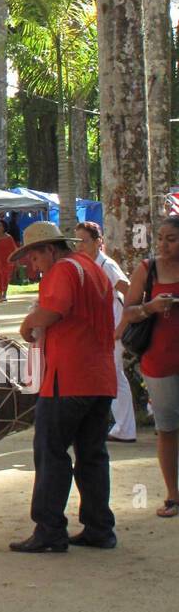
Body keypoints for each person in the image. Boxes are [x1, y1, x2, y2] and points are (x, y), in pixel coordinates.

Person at [9, 221, 117, 552]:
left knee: (51, 452)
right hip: (99, 377)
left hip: (68, 376)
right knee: (92, 454)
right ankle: (99, 527)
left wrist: (28, 325)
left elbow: (53, 309)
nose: (33, 266)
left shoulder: (63, 271)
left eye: (35, 258)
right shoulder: (93, 268)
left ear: (49, 250)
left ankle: (50, 528)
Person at [119, 215, 179, 518]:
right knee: (167, 429)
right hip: (159, 360)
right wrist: (151, 307)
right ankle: (173, 495)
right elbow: (128, 312)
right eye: (161, 238)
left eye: (172, 238)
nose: (165, 244)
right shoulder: (147, 270)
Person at [76, 221, 136, 443]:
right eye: (78, 242)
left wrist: (121, 327)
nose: (81, 246)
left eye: (85, 241)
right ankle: (122, 426)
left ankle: (126, 428)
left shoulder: (107, 266)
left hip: (115, 329)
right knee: (111, 375)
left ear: (98, 242)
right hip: (102, 330)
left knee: (114, 376)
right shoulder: (89, 265)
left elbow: (130, 292)